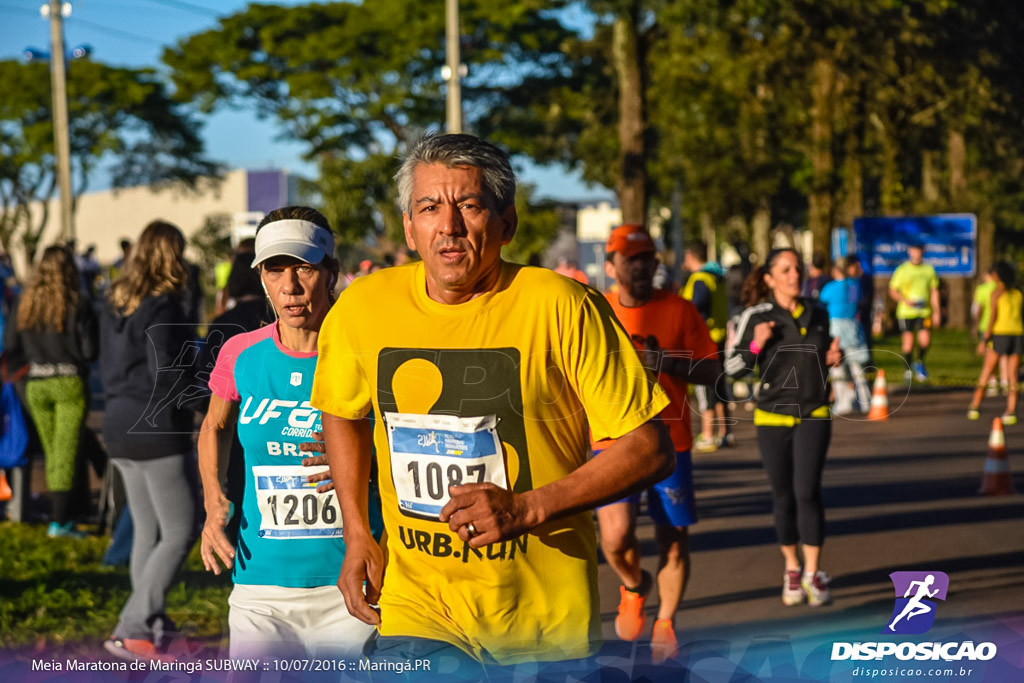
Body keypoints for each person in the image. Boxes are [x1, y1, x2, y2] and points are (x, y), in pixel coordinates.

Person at [311, 133, 674, 672]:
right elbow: (342, 412)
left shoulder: (562, 306)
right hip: (418, 609)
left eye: (470, 206)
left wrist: (526, 507)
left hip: (542, 620)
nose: (449, 225)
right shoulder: (362, 308)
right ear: (409, 229)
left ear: (507, 225)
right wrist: (357, 532)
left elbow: (650, 449)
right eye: (429, 208)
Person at [199, 206, 381, 659]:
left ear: (332, 272)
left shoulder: (367, 351)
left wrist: (354, 452)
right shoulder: (242, 353)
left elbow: (405, 437)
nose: (290, 286)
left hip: (349, 579)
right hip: (260, 582)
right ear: (261, 278)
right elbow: (213, 425)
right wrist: (212, 498)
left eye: (304, 268)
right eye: (275, 270)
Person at [597, 224, 720, 663]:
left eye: (648, 256)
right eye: (631, 258)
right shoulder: (597, 310)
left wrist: (664, 361)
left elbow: (714, 372)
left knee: (673, 538)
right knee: (615, 537)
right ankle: (634, 584)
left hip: (672, 442)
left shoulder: (681, 310)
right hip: (611, 439)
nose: (642, 265)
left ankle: (666, 620)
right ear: (611, 266)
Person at [100, 220, 199, 663]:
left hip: (118, 424)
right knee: (180, 530)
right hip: (154, 427)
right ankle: (133, 627)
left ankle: (151, 626)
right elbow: (168, 371)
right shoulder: (164, 306)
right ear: (172, 255)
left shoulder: (116, 302)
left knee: (148, 529)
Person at [725, 248, 842, 607]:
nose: (795, 275)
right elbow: (732, 370)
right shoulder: (756, 315)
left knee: (807, 491)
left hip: (814, 412)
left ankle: (812, 572)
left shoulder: (818, 311)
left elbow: (819, 355)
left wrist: (831, 359)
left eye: (798, 268)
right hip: (772, 416)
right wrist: (758, 342)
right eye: (786, 269)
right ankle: (791, 568)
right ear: (769, 278)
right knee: (784, 496)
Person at [4, 246, 98, 537]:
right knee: (65, 451)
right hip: (69, 383)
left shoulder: (25, 302)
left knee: (54, 449)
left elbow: (11, 346)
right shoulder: (78, 303)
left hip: (37, 385)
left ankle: (67, 513)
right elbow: (90, 350)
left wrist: (30, 368)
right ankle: (60, 521)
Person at [682, 240, 732, 451]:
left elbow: (696, 305)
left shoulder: (700, 279)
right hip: (718, 336)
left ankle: (708, 434)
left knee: (706, 388)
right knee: (720, 387)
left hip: (704, 340)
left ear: (691, 256)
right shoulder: (717, 276)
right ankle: (725, 432)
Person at [967, 262, 1022, 424]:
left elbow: (992, 318)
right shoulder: (1018, 294)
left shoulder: (997, 293)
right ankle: (1011, 411)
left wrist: (984, 340)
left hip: (1000, 335)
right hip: (1017, 334)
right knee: (1013, 377)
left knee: (987, 370)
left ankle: (974, 405)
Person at [819, 257, 871, 414]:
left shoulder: (831, 287)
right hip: (854, 327)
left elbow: (822, 299)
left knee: (838, 368)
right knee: (857, 368)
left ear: (835, 271)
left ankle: (843, 402)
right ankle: (865, 400)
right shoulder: (855, 285)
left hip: (836, 328)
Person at [888, 243, 940, 382]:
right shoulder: (902, 270)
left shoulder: (929, 270)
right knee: (908, 343)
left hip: (924, 311)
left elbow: (934, 291)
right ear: (910, 251)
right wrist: (905, 300)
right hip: (906, 312)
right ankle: (907, 370)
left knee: (925, 340)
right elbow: (893, 290)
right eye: (914, 251)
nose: (917, 254)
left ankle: (920, 362)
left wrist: (936, 312)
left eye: (919, 251)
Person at [972, 266, 1007, 397]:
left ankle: (992, 383)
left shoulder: (982, 289)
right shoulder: (1003, 288)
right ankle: (1005, 381)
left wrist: (975, 325)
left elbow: (978, 309)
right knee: (1003, 355)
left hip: (985, 326)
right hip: (1001, 327)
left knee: (989, 356)